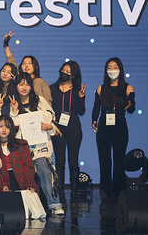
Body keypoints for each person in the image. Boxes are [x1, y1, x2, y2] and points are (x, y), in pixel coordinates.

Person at [9, 73, 62, 216]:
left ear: (31, 87)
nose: (24, 87)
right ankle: (27, 208)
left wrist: (49, 127)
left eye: (27, 84)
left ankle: (54, 204)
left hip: (40, 148)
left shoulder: (40, 101)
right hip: (21, 149)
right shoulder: (12, 103)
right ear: (16, 86)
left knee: (45, 169)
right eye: (21, 84)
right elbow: (11, 128)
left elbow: (51, 119)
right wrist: (14, 111)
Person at [92, 57, 135, 204]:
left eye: (115, 67)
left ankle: (119, 191)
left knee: (119, 160)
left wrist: (131, 103)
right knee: (104, 161)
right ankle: (105, 191)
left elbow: (131, 109)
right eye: (109, 68)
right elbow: (96, 107)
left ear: (120, 70)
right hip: (104, 127)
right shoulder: (101, 88)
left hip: (120, 127)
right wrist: (94, 120)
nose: (112, 70)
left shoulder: (128, 88)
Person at [49, 61, 86, 206]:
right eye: (63, 70)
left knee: (73, 161)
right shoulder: (52, 89)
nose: (64, 73)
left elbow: (81, 112)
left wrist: (81, 98)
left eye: (68, 71)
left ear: (73, 75)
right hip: (58, 128)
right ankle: (61, 194)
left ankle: (74, 195)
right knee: (59, 162)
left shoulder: (77, 90)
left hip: (74, 127)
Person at [0, 115, 39, 195]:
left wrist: (28, 184)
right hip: (3, 181)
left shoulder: (21, 144)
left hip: (22, 180)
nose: (4, 130)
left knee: (30, 196)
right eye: (1, 126)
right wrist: (2, 185)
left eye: (7, 127)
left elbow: (28, 166)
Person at [3, 30, 52, 102]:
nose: (26, 66)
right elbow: (11, 61)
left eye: (30, 63)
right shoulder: (19, 79)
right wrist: (6, 45)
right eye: (23, 64)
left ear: (36, 66)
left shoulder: (39, 81)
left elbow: (48, 100)